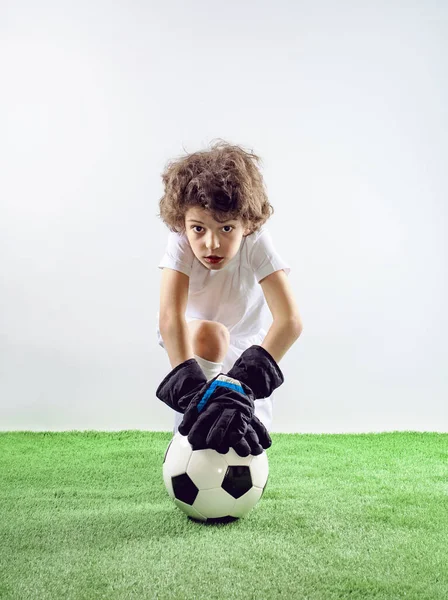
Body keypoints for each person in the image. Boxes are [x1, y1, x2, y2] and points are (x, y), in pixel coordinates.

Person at [155, 139, 303, 456]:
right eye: (199, 229)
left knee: (242, 441)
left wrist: (238, 387)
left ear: (246, 224)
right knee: (211, 334)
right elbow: (170, 319)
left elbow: (289, 322)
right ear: (183, 221)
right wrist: (194, 393)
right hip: (193, 343)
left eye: (226, 229)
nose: (211, 243)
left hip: (247, 352)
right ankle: (191, 442)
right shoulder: (181, 239)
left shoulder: (256, 242)